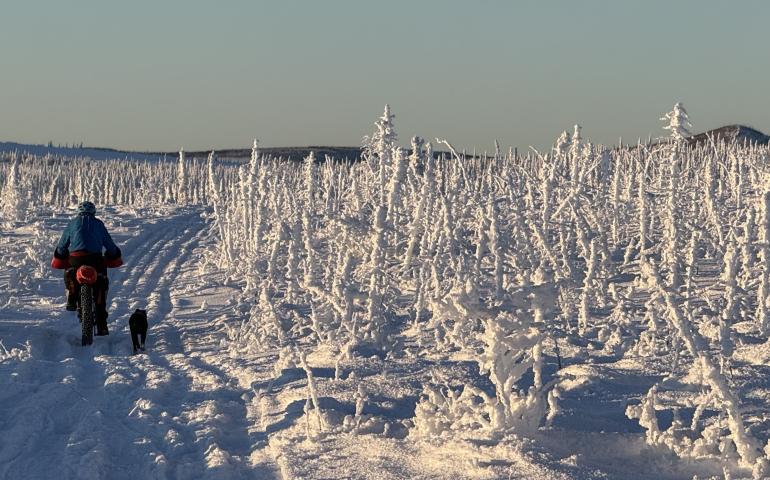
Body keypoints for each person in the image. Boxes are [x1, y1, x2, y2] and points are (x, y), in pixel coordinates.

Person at [51, 201, 123, 335]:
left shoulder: (72, 223)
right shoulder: (99, 224)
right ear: (93, 213)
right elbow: (109, 244)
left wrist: (60, 254)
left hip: (76, 258)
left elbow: (62, 245)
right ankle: (102, 324)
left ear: (78, 212)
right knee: (101, 283)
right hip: (96, 259)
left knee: (70, 271)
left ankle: (72, 297)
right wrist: (113, 254)